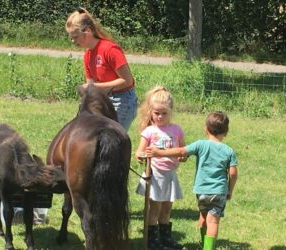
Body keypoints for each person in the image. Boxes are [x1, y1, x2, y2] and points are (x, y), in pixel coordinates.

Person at [147, 111, 238, 250]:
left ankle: (203, 241)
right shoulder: (229, 151)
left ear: (206, 129)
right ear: (226, 132)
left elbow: (181, 151)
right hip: (219, 192)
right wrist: (229, 190)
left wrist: (159, 153)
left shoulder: (200, 144)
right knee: (213, 222)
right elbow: (233, 173)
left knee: (203, 216)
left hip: (201, 191)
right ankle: (208, 248)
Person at [65, 7, 137, 131]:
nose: (73, 41)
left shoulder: (110, 50)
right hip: (103, 98)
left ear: (87, 31)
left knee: (112, 139)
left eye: (75, 37)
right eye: (71, 37)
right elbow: (91, 84)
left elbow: (127, 81)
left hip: (123, 100)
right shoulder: (88, 55)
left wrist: (96, 87)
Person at [135, 86, 186, 250]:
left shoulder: (176, 130)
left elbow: (183, 151)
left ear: (171, 111)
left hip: (170, 175)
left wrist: (182, 156)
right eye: (156, 113)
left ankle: (165, 238)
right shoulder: (149, 131)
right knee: (155, 207)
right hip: (155, 174)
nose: (160, 116)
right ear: (151, 111)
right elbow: (139, 152)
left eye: (164, 113)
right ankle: (153, 240)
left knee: (167, 207)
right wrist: (143, 156)